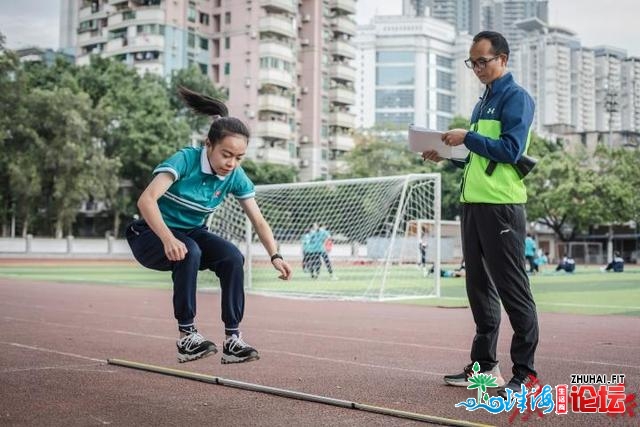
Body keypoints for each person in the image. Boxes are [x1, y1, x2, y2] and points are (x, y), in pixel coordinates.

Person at [126, 87, 292, 365]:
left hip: (191, 234)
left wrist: (276, 255)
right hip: (149, 234)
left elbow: (258, 220)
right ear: (208, 144)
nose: (232, 163)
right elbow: (146, 201)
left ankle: (233, 340)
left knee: (232, 256)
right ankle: (186, 337)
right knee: (189, 249)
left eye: (239, 157)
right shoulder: (186, 160)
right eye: (227, 154)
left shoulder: (234, 175)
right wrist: (167, 238)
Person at [422, 31, 539, 398]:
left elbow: (509, 149)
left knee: (512, 290)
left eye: (483, 61)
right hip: (473, 204)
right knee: (479, 288)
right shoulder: (483, 101)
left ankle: (526, 373)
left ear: (503, 59)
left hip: (501, 206)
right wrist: (448, 155)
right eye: (472, 62)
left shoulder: (517, 98)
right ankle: (485, 366)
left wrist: (466, 137)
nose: (477, 68)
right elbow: (480, 157)